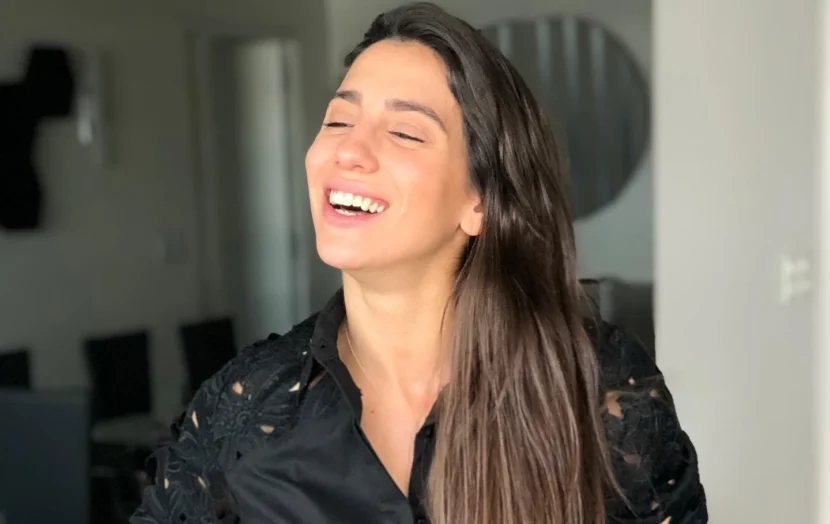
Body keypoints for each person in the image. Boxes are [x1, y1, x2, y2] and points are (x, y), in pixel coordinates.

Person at [131, 3, 706, 524]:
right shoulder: (243, 410)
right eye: (338, 120)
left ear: (479, 202)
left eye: (405, 132)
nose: (349, 150)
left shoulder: (598, 391)